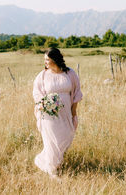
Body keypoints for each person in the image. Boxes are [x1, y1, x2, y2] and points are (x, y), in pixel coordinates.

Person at [33, 47, 83, 177]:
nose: (45, 62)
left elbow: (76, 93)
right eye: (44, 60)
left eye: (47, 60)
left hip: (66, 113)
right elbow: (37, 94)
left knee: (65, 137)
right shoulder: (42, 76)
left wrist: (73, 114)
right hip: (49, 115)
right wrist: (45, 105)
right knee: (51, 140)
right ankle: (52, 170)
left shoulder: (70, 74)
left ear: (55, 60)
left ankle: (49, 162)